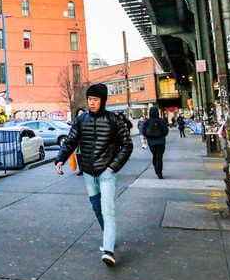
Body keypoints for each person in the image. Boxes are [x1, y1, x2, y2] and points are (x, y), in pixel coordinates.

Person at [55, 83, 133, 268]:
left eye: (95, 99)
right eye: (89, 99)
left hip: (106, 172)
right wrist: (60, 159)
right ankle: (109, 236)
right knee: (96, 208)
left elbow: (127, 145)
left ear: (103, 100)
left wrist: (113, 167)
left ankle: (108, 251)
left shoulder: (114, 120)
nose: (91, 103)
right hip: (89, 172)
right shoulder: (81, 120)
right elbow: (70, 141)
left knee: (108, 210)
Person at [141, 106, 170, 179]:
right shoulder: (161, 120)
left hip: (151, 142)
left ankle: (157, 170)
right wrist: (162, 136)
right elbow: (166, 130)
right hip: (161, 142)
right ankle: (159, 171)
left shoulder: (147, 121)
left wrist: (148, 137)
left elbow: (143, 131)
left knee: (155, 155)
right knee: (159, 156)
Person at [73, 107, 85, 176]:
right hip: (78, 143)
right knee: (79, 156)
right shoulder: (75, 122)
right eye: (79, 114)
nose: (80, 115)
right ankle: (81, 169)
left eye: (82, 114)